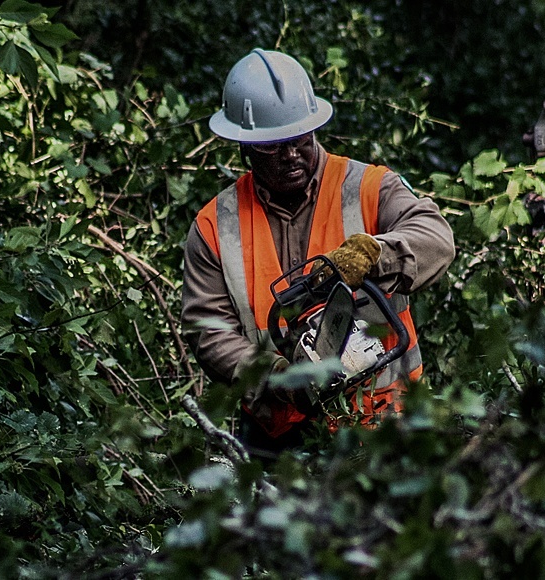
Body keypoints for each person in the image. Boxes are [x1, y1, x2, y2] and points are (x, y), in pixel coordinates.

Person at [180, 48, 455, 457]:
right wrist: (275, 377)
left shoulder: (369, 187)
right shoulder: (215, 225)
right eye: (274, 147)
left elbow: (436, 237)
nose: (291, 155)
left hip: (388, 422)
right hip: (278, 437)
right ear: (246, 146)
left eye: (300, 141)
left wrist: (377, 253)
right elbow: (208, 330)